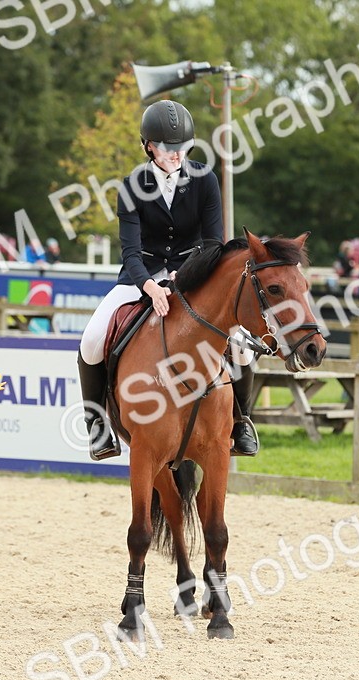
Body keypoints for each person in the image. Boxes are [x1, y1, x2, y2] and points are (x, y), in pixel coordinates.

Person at [76, 99, 259, 460]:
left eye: (182, 148)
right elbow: (130, 250)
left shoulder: (205, 179)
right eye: (166, 148)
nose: (175, 154)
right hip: (138, 276)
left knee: (239, 341)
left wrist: (184, 276)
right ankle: (97, 426)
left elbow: (213, 243)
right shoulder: (131, 185)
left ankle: (243, 422)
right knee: (91, 340)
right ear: (148, 146)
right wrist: (150, 287)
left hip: (193, 274)